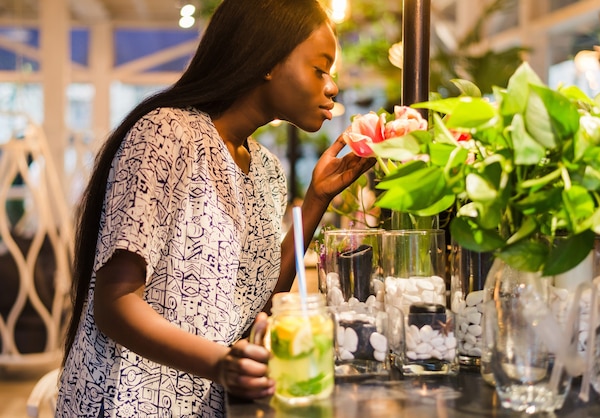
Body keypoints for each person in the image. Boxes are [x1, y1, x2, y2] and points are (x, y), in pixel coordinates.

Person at [56, 0, 374, 417]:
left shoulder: (266, 169)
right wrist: (220, 365)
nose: (332, 87)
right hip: (129, 401)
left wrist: (317, 198)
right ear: (269, 60)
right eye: (320, 69)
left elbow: (255, 307)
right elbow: (115, 304)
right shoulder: (167, 133)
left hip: (210, 404)